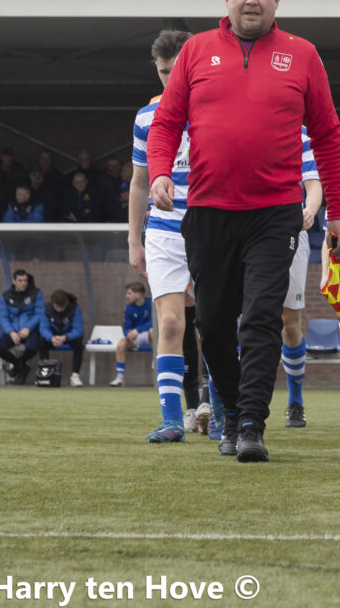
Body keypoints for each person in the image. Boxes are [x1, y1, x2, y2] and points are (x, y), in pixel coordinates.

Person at [146, 0, 340, 463]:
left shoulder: (302, 55)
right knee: (212, 324)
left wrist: (339, 211)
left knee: (260, 318)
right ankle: (231, 414)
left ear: (277, 1)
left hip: (274, 213)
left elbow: (327, 134)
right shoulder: (195, 51)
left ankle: (252, 424)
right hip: (208, 211)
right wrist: (158, 173)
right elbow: (167, 121)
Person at [129, 30, 210, 442]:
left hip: (213, 226)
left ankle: (223, 411)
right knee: (172, 322)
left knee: (215, 323)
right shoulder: (147, 117)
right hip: (163, 232)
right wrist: (133, 240)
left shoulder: (216, 107)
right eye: (163, 71)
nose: (169, 77)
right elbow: (139, 182)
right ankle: (173, 420)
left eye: (176, 68)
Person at [278, 128, 323, 428]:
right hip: (248, 230)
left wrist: (310, 208)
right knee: (243, 318)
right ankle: (234, 402)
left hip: (289, 233)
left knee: (290, 324)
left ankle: (295, 400)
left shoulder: (301, 135)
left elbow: (314, 184)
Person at [0, 269, 42, 384]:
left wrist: (28, 328)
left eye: (25, 280)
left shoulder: (36, 293)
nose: (23, 283)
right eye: (20, 281)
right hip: (12, 331)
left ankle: (18, 365)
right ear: (14, 281)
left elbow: (39, 314)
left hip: (30, 331)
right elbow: (3, 317)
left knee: (32, 348)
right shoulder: (6, 296)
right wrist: (11, 332)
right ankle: (21, 366)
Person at [111, 281, 153, 387]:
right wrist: (128, 334)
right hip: (136, 337)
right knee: (121, 344)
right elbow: (126, 327)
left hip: (149, 334)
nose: (127, 296)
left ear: (138, 294)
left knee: (153, 331)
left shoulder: (151, 304)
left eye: (129, 293)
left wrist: (137, 330)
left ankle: (156, 363)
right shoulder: (129, 308)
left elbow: (154, 322)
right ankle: (120, 378)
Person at [41, 289, 85, 387]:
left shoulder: (75, 308)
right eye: (57, 306)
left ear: (67, 302)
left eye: (62, 306)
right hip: (53, 336)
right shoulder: (46, 308)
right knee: (41, 341)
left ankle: (75, 375)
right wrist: (51, 338)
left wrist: (65, 337)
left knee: (79, 343)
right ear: (53, 302)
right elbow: (44, 328)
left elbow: (78, 329)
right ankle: (45, 373)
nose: (60, 309)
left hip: (68, 336)